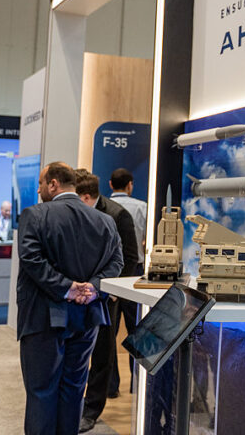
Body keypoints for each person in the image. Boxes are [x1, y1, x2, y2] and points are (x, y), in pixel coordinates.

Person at [16, 162, 123, 435]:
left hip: (43, 316)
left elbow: (31, 260)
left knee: (41, 390)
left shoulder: (34, 214)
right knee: (74, 388)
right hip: (87, 317)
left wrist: (67, 288)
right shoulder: (105, 221)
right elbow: (116, 263)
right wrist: (93, 288)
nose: (39, 190)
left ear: (53, 184)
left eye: (41, 184)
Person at [75, 169, 138, 433]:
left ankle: (92, 410)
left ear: (87, 196)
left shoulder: (117, 215)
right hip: (75, 291)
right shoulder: (76, 213)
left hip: (104, 294)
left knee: (103, 351)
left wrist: (109, 291)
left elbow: (130, 257)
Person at [107, 167, 148, 396]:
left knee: (108, 335)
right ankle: (137, 386)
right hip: (135, 274)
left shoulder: (103, 209)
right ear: (130, 184)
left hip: (110, 276)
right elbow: (144, 242)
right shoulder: (142, 207)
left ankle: (110, 387)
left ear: (111, 185)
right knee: (137, 332)